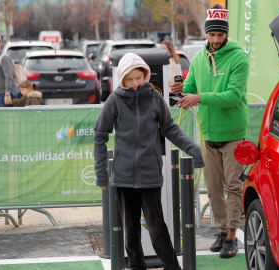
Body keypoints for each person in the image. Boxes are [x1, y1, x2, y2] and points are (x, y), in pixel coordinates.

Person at [93, 52, 204, 270]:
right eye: (130, 78)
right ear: (122, 78)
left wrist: (192, 148)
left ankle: (173, 267)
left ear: (145, 75)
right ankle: (137, 267)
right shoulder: (114, 101)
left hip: (149, 174)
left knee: (156, 228)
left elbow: (170, 129)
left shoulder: (155, 99)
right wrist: (101, 173)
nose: (135, 83)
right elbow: (99, 134)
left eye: (139, 77)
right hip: (123, 176)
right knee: (131, 230)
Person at [170, 3, 249, 259]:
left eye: (220, 35)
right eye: (212, 35)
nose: (216, 40)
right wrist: (179, 90)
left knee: (233, 188)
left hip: (233, 134)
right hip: (208, 134)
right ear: (206, 34)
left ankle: (232, 236)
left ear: (226, 34)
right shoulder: (199, 58)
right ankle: (223, 229)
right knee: (213, 188)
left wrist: (199, 98)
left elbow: (233, 96)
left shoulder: (239, 57)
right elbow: (190, 85)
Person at [0, 35, 19, 107]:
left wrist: (7, 94)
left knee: (7, 117)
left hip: (5, 94)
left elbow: (9, 76)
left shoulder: (3, 58)